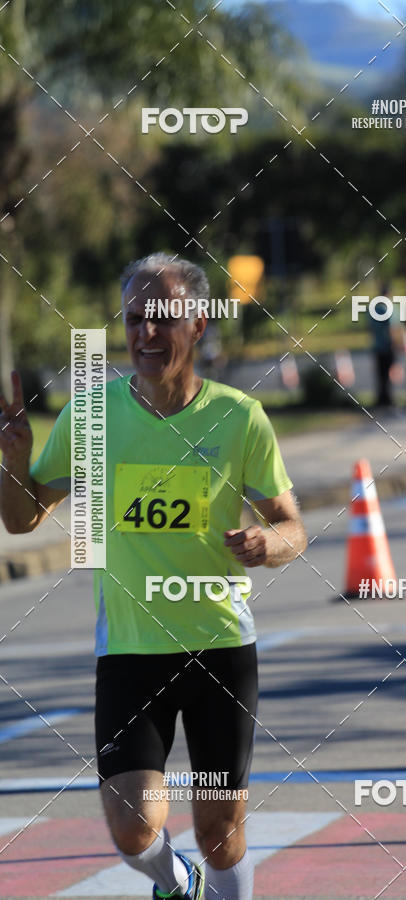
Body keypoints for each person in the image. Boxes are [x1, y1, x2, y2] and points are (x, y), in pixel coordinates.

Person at [0, 252, 307, 900]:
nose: (146, 331)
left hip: (220, 648)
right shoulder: (90, 416)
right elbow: (22, 519)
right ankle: (176, 881)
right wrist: (13, 461)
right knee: (133, 825)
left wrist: (268, 543)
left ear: (198, 325)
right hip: (131, 651)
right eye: (135, 317)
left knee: (219, 830)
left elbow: (292, 527)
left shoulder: (239, 417)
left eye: (163, 317)